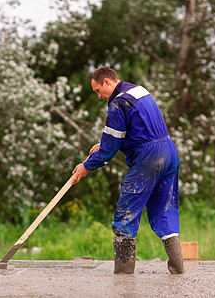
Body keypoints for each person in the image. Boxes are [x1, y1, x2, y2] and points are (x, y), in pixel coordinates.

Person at [72, 67, 185, 274]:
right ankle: (178, 268)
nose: (99, 96)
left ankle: (123, 275)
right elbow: (139, 129)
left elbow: (108, 151)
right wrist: (104, 144)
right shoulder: (138, 91)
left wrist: (86, 166)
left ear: (107, 82)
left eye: (98, 90)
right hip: (169, 152)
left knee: (126, 212)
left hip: (149, 158)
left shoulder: (117, 103)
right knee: (164, 209)